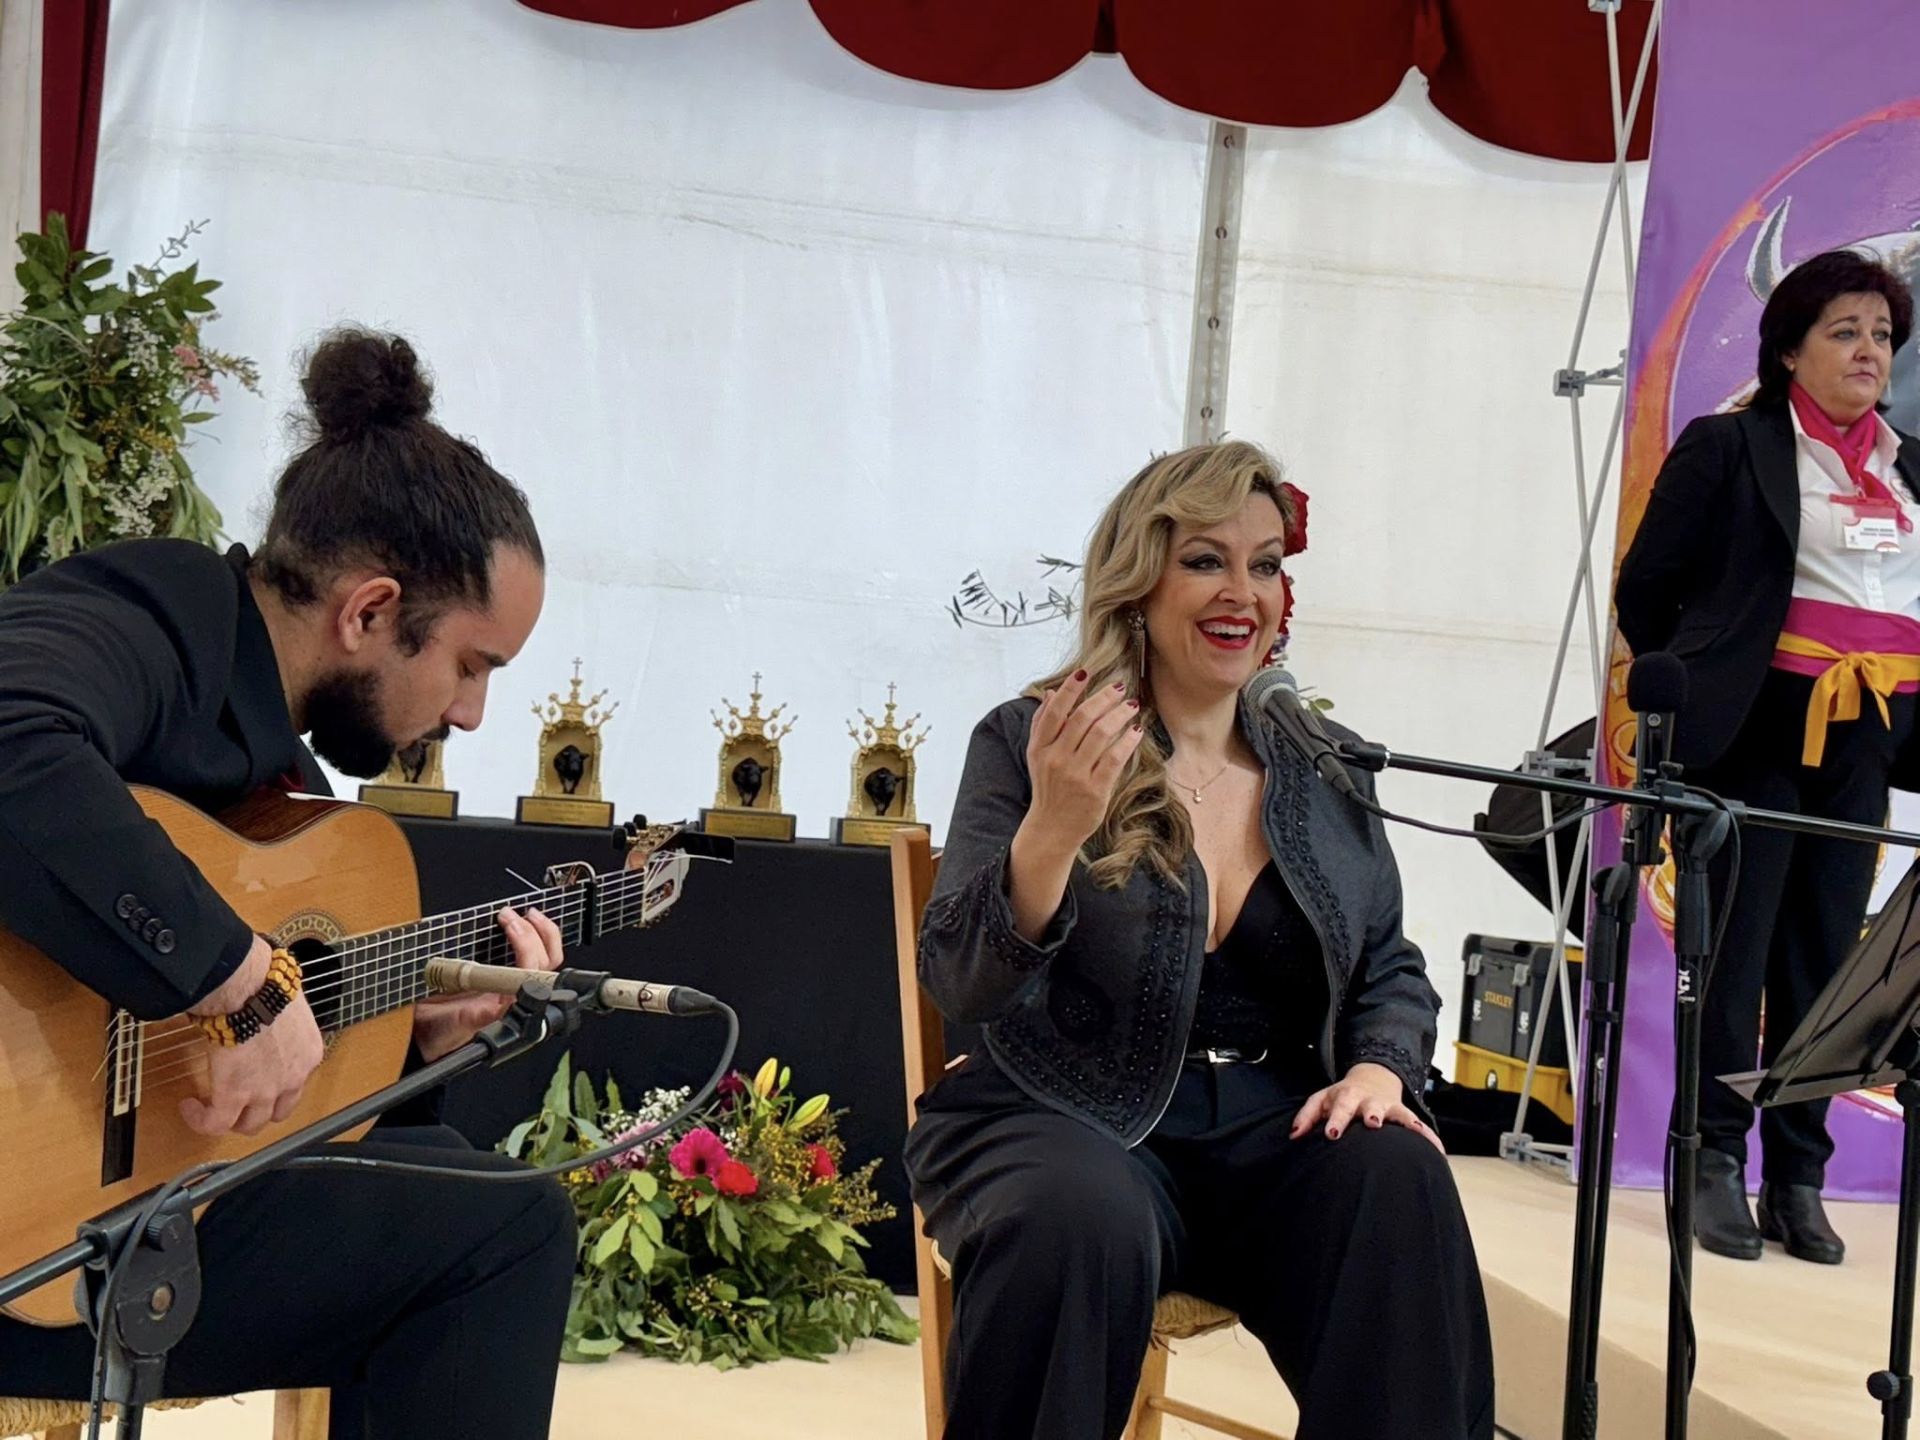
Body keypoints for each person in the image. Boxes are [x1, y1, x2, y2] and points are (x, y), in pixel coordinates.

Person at [0, 328, 577, 1436]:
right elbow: (10, 733)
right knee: (508, 1231)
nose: (470, 716)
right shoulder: (154, 616)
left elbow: (252, 1065)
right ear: (367, 611)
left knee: (455, 1174)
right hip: (29, 1232)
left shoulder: (283, 779)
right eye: (471, 665)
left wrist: (412, 1043)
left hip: (110, 1216)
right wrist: (235, 981)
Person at [905, 441, 1494, 1440]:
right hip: (1065, 1110)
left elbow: (1390, 962)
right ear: (1139, 581)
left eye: (1265, 563)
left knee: (1399, 1181)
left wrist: (1383, 1071)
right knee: (1073, 1218)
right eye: (1206, 560)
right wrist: (1051, 827)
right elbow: (960, 981)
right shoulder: (1030, 737)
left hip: (1274, 1125)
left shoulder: (1325, 762)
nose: (1243, 592)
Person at [1616, 250, 1920, 1265]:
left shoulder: (1910, 466)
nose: (1868, 350)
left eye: (1880, 334)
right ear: (1789, 349)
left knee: (1826, 966)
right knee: (1734, 958)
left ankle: (1799, 1172)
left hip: (1867, 738)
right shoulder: (1731, 447)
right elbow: (1645, 590)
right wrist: (1713, 674)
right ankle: (1708, 1161)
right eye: (1844, 330)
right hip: (1758, 728)